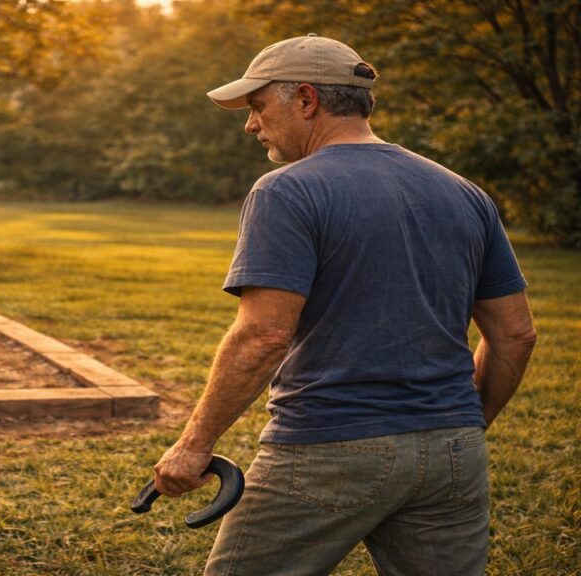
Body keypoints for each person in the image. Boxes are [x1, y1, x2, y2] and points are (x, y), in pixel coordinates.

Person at [152, 34, 537, 575]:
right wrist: (463, 425)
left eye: (259, 107)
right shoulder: (464, 192)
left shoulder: (285, 191)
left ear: (307, 100)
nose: (251, 124)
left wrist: (194, 446)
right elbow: (516, 334)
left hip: (327, 447)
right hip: (453, 453)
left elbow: (263, 335)